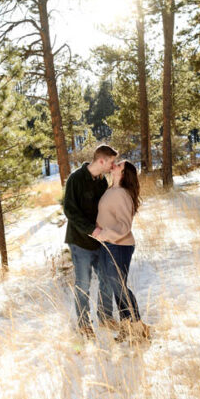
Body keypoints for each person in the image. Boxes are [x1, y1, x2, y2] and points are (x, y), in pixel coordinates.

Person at [63, 144, 118, 339]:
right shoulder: (75, 179)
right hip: (80, 243)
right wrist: (92, 230)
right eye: (111, 162)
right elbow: (69, 210)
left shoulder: (102, 181)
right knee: (83, 284)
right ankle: (83, 325)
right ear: (101, 161)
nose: (113, 166)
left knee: (107, 280)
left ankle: (105, 317)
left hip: (100, 242)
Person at [92, 160, 150, 342]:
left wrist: (102, 233)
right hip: (109, 245)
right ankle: (127, 328)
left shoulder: (122, 194)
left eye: (119, 165)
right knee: (117, 288)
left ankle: (139, 328)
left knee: (119, 287)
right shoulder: (111, 189)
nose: (114, 165)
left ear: (123, 174)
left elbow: (125, 226)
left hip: (120, 245)